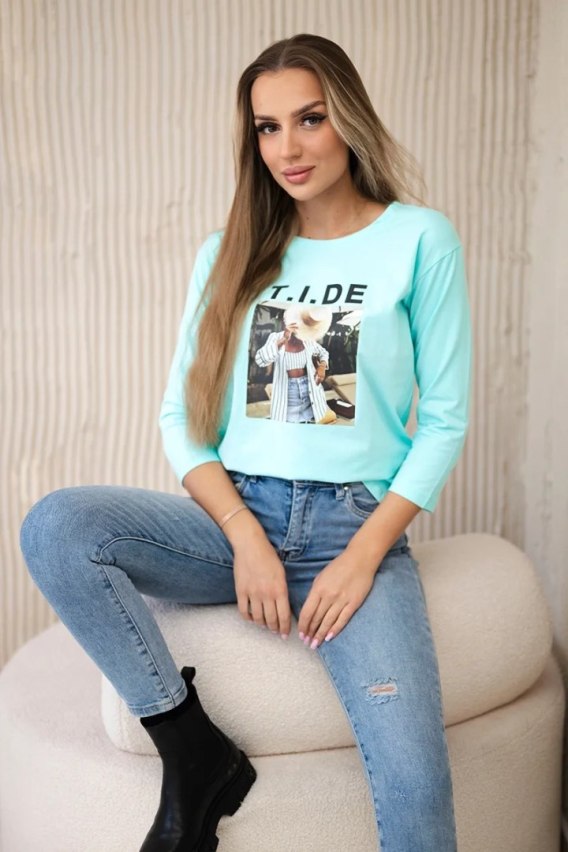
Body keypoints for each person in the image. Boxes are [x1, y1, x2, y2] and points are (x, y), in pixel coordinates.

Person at [19, 32, 472, 852]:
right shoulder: (228, 253)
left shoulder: (418, 239)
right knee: (57, 525)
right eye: (268, 127)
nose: (288, 148)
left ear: (349, 119)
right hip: (237, 518)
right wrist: (244, 537)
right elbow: (181, 422)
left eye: (309, 119)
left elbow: (444, 418)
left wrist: (363, 557)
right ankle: (191, 749)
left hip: (354, 526)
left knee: (417, 785)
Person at [253, 307, 335, 423]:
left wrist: (322, 366)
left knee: (311, 421)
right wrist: (282, 340)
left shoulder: (307, 339)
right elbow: (260, 360)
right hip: (288, 392)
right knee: (289, 424)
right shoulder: (275, 337)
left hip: (309, 389)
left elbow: (323, 353)